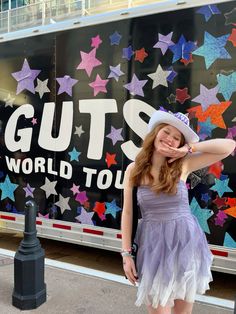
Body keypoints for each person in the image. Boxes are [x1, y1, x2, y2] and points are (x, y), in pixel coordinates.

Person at [121, 110, 236, 314]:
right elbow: (128, 213)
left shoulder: (183, 164)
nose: (170, 139)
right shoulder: (134, 170)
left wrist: (189, 148)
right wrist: (126, 255)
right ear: (155, 133)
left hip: (185, 243)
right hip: (152, 246)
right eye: (166, 132)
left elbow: (229, 146)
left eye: (177, 138)